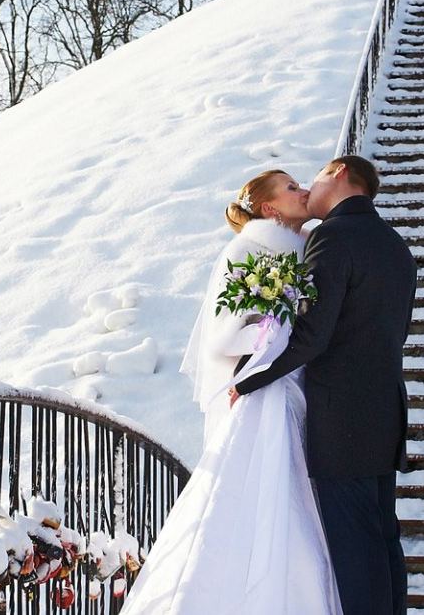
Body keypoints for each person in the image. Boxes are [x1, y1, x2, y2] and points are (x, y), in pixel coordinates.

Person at [120, 168, 343, 615]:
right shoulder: (248, 251)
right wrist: (276, 330)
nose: (303, 193)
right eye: (292, 188)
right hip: (264, 399)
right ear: (269, 208)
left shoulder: (300, 257)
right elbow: (224, 336)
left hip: (295, 393)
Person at [231, 155, 417, 615]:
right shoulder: (396, 245)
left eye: (313, 176)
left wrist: (249, 379)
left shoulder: (333, 236)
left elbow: (314, 335)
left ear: (336, 174)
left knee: (356, 551)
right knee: (383, 540)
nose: (307, 187)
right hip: (385, 414)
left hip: (343, 423)